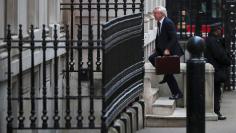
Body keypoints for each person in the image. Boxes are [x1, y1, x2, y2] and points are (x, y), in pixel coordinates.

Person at [148, 6, 184, 100]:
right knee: (152, 58)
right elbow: (159, 36)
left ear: (162, 14)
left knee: (169, 74)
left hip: (170, 51)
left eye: (156, 13)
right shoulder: (160, 22)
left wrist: (167, 48)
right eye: (154, 13)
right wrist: (156, 48)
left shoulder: (168, 22)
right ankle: (165, 72)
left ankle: (177, 93)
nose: (154, 15)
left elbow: (174, 38)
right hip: (162, 50)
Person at [204, 24, 231, 120]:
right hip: (216, 69)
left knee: (214, 91)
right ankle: (216, 111)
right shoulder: (213, 41)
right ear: (215, 31)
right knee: (216, 92)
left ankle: (215, 111)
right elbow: (220, 55)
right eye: (219, 30)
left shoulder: (210, 40)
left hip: (213, 69)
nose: (221, 32)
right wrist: (228, 60)